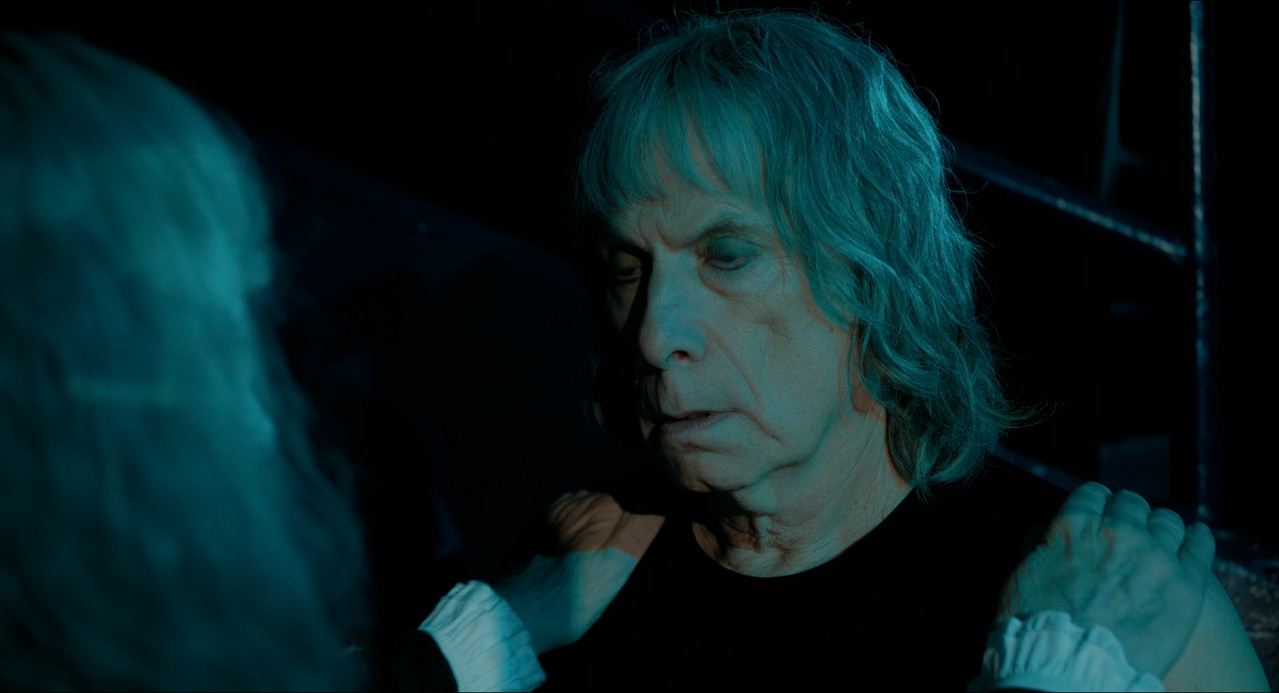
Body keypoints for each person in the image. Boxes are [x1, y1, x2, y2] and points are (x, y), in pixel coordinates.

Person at [507, 9, 1267, 691]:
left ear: (872, 274)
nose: (653, 333)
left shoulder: (1108, 605)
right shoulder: (575, 574)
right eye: (627, 269)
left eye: (727, 256)